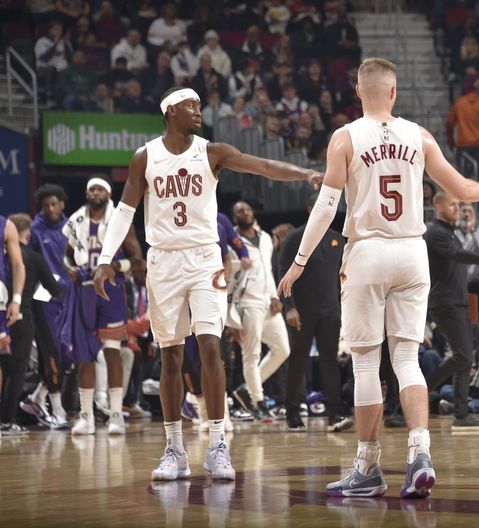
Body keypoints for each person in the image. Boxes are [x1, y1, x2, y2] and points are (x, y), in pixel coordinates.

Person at [278, 57, 479, 499]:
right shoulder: (419, 135)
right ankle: (420, 454)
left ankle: (367, 467)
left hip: (368, 251)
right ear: (393, 93)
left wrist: (298, 261)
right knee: (407, 359)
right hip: (412, 252)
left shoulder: (345, 137)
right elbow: (463, 189)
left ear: (358, 91)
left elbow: (325, 208)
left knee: (368, 362)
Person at [93, 86, 323, 482]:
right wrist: (104, 259)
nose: (197, 111)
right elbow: (125, 211)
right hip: (163, 260)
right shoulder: (145, 157)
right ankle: (174, 450)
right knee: (170, 357)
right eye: (190, 105)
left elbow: (263, 166)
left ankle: (218, 444)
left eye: (199, 105)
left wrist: (305, 172)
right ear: (170, 112)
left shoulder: (212, 152)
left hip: (203, 259)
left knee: (211, 345)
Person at [63, 177, 144, 437]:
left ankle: (116, 414)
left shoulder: (119, 221)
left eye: (100, 189)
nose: (95, 192)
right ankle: (85, 416)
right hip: (85, 290)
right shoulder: (75, 221)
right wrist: (70, 270)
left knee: (112, 351)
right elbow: (65, 255)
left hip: (111, 291)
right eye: (91, 189)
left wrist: (114, 267)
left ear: (108, 194)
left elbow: (138, 260)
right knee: (85, 356)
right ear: (86, 193)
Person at [279, 193, 353, 433]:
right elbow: (282, 272)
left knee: (330, 360)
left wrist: (344, 308)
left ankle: (335, 411)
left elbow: (341, 278)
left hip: (331, 309)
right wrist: (289, 307)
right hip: (302, 310)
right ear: (311, 209)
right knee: (298, 360)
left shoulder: (337, 240)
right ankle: (292, 411)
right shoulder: (294, 239)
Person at [424, 191, 479, 431]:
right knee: (462, 356)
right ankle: (420, 390)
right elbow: (459, 255)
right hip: (444, 303)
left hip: (459, 301)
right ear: (439, 206)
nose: (457, 208)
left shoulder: (449, 232)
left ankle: (461, 415)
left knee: (465, 359)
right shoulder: (435, 233)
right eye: (453, 204)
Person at [229, 200, 291, 421]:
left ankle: (247, 390)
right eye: (239, 211)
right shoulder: (232, 243)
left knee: (283, 349)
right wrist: (232, 321)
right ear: (234, 218)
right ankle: (259, 402)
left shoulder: (265, 238)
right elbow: (228, 280)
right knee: (251, 355)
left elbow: (268, 271)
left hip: (267, 302)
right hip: (246, 303)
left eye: (247, 209)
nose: (245, 212)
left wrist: (275, 296)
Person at [1, 215, 62, 435]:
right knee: (17, 370)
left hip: (4, 311)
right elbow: (55, 290)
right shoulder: (34, 258)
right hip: (20, 314)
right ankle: (6, 420)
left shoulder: (6, 255)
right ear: (27, 233)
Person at [22, 184, 71, 429]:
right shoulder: (35, 229)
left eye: (54, 204)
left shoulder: (72, 226)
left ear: (62, 204)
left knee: (67, 356)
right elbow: (28, 266)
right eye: (46, 206)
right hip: (43, 301)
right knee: (52, 354)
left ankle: (37, 399)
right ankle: (59, 411)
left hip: (68, 299)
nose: (50, 208)